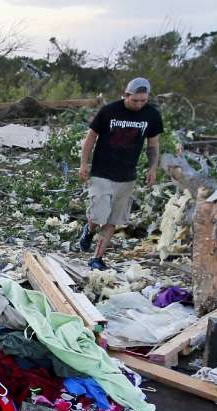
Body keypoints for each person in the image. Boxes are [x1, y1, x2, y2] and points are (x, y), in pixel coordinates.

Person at [76, 77, 163, 270]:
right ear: (126, 95)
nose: (139, 104)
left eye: (143, 101)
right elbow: (91, 137)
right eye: (135, 100)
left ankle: (97, 258)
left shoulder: (151, 115)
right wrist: (84, 163)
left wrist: (152, 167)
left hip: (126, 176)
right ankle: (89, 230)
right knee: (99, 215)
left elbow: (153, 144)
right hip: (102, 172)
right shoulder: (109, 111)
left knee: (112, 220)